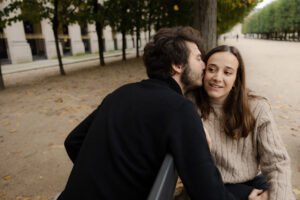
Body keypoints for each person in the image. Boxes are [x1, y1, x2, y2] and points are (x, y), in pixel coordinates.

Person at [57, 27, 237, 200]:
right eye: (198, 59)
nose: (204, 65)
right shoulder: (179, 109)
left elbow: (73, 141)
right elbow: (208, 192)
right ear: (177, 65)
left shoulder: (120, 93)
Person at [189, 45, 295, 200]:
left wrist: (275, 196)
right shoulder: (189, 104)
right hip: (212, 188)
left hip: (253, 182)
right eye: (211, 69)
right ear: (203, 72)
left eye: (227, 72)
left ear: (236, 79)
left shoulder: (257, 108)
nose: (217, 78)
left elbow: (277, 162)